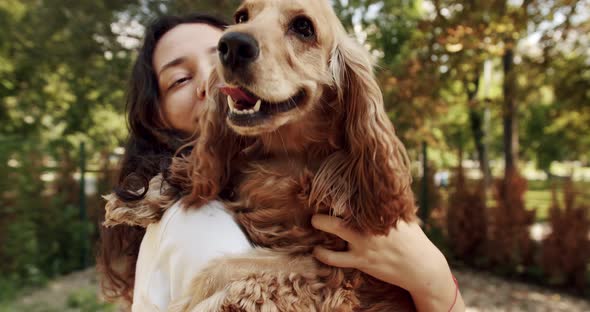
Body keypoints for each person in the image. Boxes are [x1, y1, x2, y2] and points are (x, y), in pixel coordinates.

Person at [97, 13, 465, 312]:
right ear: (156, 118)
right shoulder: (194, 224)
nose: (213, 81)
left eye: (301, 28)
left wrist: (432, 279)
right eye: (179, 79)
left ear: (340, 83)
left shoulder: (341, 185)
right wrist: (433, 281)